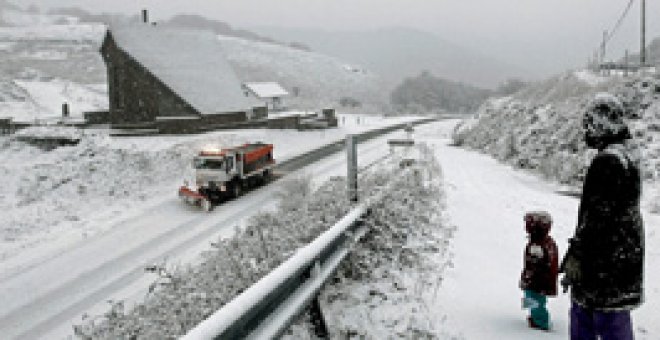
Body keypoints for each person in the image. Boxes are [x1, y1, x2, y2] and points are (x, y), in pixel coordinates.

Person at [561, 93, 644, 340]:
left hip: (602, 266)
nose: (585, 131)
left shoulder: (607, 162)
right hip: (624, 258)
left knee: (588, 320)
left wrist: (576, 256)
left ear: (602, 125)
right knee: (615, 321)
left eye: (589, 124)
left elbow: (596, 219)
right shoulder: (629, 155)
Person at [520, 211, 559, 331]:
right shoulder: (547, 241)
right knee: (535, 299)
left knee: (534, 300)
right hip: (540, 281)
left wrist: (528, 277)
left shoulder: (538, 245)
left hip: (537, 281)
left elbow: (535, 265)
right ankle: (534, 316)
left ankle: (540, 322)